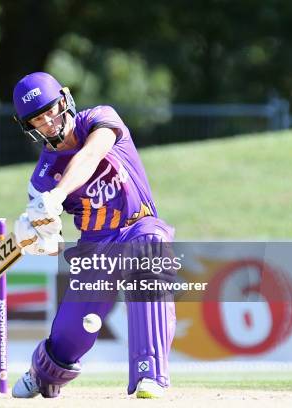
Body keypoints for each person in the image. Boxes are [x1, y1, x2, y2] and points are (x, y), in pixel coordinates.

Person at [10, 72, 176, 399]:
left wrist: (56, 197)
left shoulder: (100, 119)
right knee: (73, 331)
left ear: (65, 100)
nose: (48, 121)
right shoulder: (40, 179)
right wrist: (37, 235)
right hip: (95, 247)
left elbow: (90, 155)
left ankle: (150, 374)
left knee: (149, 248)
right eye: (38, 119)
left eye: (51, 109)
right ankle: (42, 374)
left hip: (138, 225)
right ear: (29, 126)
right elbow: (52, 245)